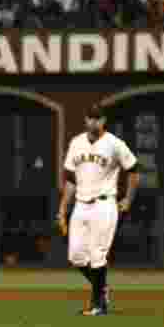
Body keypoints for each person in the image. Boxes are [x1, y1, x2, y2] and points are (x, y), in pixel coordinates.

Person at [57, 104, 140, 315]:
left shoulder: (114, 143)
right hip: (80, 205)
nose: (94, 121)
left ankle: (98, 305)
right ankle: (102, 288)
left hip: (104, 204)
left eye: (98, 118)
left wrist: (128, 199)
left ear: (104, 121)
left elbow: (133, 170)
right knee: (76, 255)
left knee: (97, 255)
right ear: (85, 120)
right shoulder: (76, 143)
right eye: (90, 117)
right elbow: (70, 180)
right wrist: (63, 208)